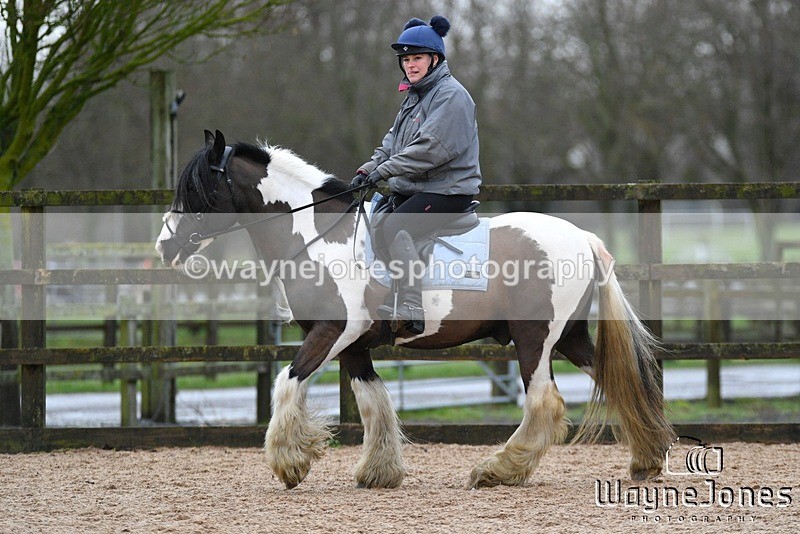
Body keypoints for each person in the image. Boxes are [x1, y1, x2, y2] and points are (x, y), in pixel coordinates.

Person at [352, 15, 482, 335]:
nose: (410, 65)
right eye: (406, 59)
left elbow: (429, 149)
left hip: (447, 191)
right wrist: (368, 169)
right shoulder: (414, 97)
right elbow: (392, 143)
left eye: (417, 58)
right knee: (375, 219)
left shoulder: (452, 96)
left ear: (434, 59)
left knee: (396, 226)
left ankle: (411, 304)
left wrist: (383, 170)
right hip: (418, 189)